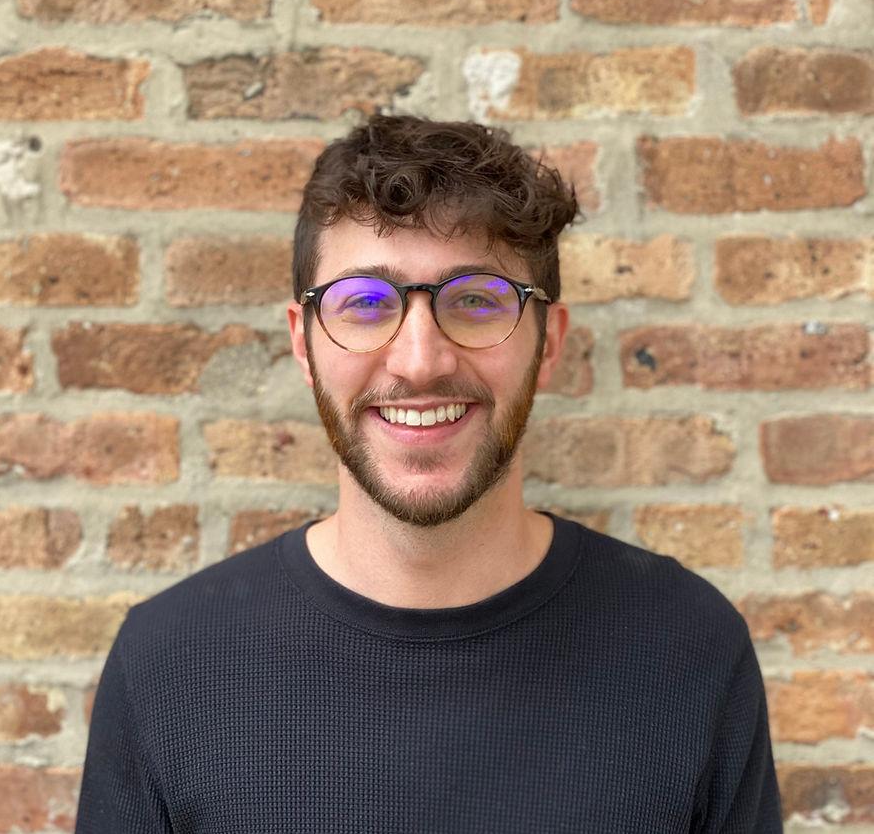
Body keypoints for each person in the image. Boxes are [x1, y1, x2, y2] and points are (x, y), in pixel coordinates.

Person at [75, 115, 782, 832]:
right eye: (365, 303)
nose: (420, 361)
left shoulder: (688, 646)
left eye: (475, 300)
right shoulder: (168, 664)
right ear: (303, 343)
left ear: (548, 344)